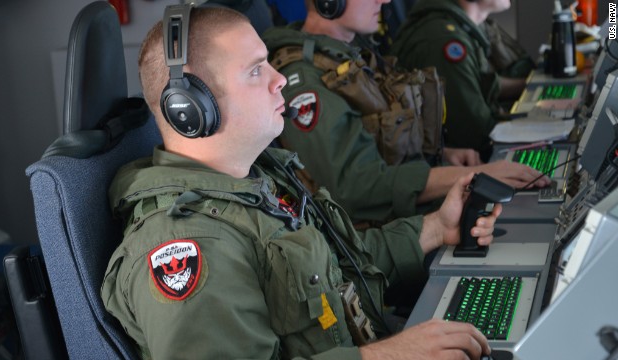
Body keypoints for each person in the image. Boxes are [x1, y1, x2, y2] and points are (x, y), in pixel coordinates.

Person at [101, 5, 500, 359]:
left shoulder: (258, 178)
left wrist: (437, 227)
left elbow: (338, 268)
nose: (280, 80)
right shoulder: (190, 246)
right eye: (257, 70)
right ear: (190, 110)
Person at [261, 0, 549, 225]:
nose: (385, 1)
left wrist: (446, 156)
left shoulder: (348, 55)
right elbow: (356, 187)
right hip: (380, 245)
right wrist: (473, 174)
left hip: (411, 218)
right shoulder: (304, 80)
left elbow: (376, 137)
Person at [390, 0, 529, 159]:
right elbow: (476, 133)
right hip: (464, 158)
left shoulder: (464, 26)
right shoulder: (444, 38)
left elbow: (482, 83)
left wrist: (527, 87)